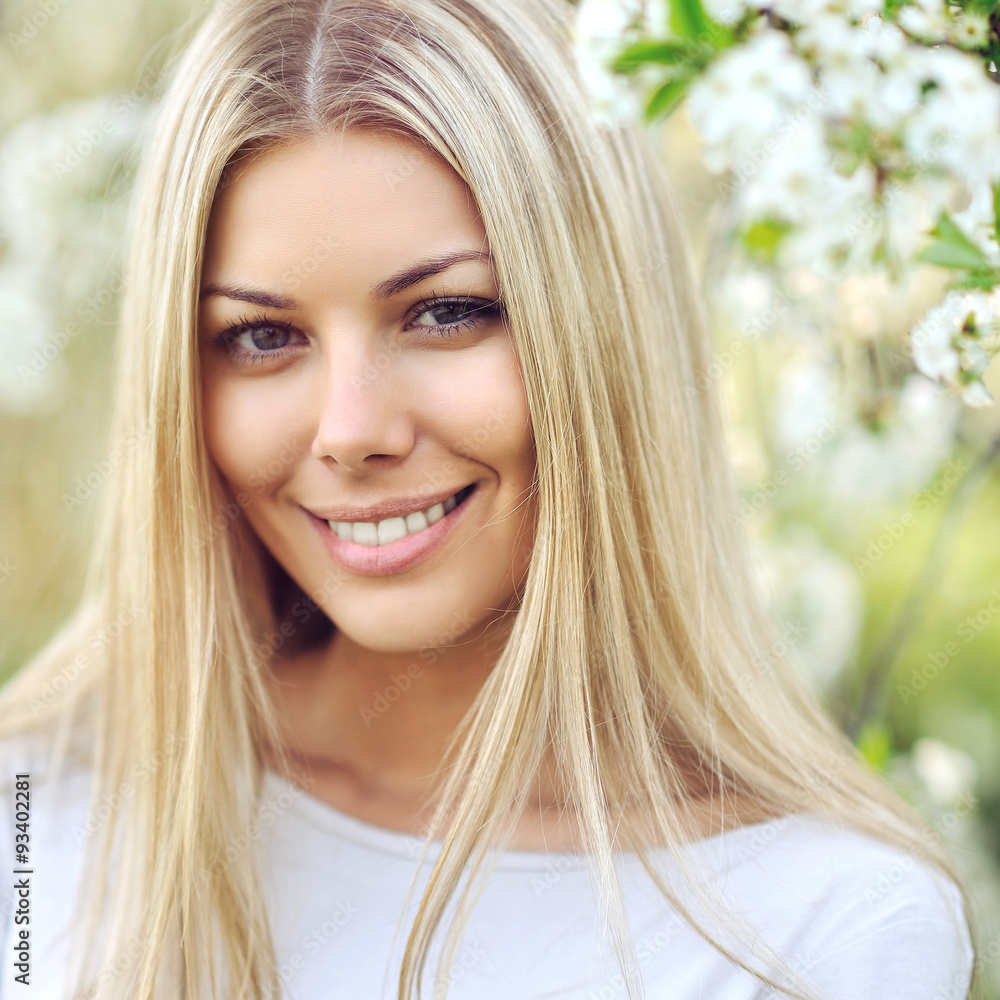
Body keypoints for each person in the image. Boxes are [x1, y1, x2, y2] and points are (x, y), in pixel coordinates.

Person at [0, 0, 977, 998]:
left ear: (602, 331)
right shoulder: (33, 809)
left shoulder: (820, 926)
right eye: (261, 336)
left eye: (448, 312)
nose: (349, 428)